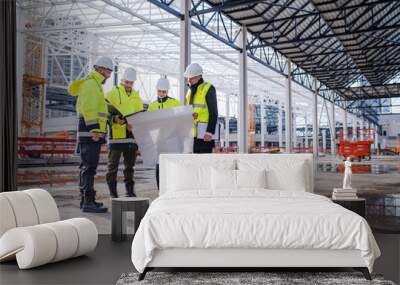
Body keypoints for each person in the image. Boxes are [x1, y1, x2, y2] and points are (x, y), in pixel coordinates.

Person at [72, 56, 112, 213]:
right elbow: (89, 109)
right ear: (101, 69)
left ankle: (86, 200)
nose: (109, 74)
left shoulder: (95, 84)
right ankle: (87, 201)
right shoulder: (91, 84)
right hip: (90, 133)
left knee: (87, 167)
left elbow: (100, 109)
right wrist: (94, 130)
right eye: (108, 71)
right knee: (89, 168)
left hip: (90, 133)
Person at [105, 67, 143, 198]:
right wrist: (114, 119)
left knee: (129, 167)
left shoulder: (137, 96)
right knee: (112, 167)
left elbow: (139, 116)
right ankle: (113, 194)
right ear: (122, 80)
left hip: (131, 137)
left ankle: (130, 191)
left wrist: (134, 125)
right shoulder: (111, 94)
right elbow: (103, 113)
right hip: (116, 136)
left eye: (131, 83)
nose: (128, 85)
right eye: (126, 82)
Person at [147, 76, 182, 188]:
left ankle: (173, 188)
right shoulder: (152, 106)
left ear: (167, 91)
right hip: (159, 142)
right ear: (156, 90)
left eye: (164, 91)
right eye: (159, 91)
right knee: (159, 166)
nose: (161, 93)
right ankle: (160, 190)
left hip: (172, 140)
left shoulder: (175, 103)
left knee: (172, 166)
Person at [183, 63, 218, 153]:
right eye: (188, 77)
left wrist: (209, 132)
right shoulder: (189, 92)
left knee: (204, 164)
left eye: (191, 77)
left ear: (199, 76)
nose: (189, 80)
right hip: (191, 136)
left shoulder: (208, 88)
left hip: (204, 136)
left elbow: (213, 112)